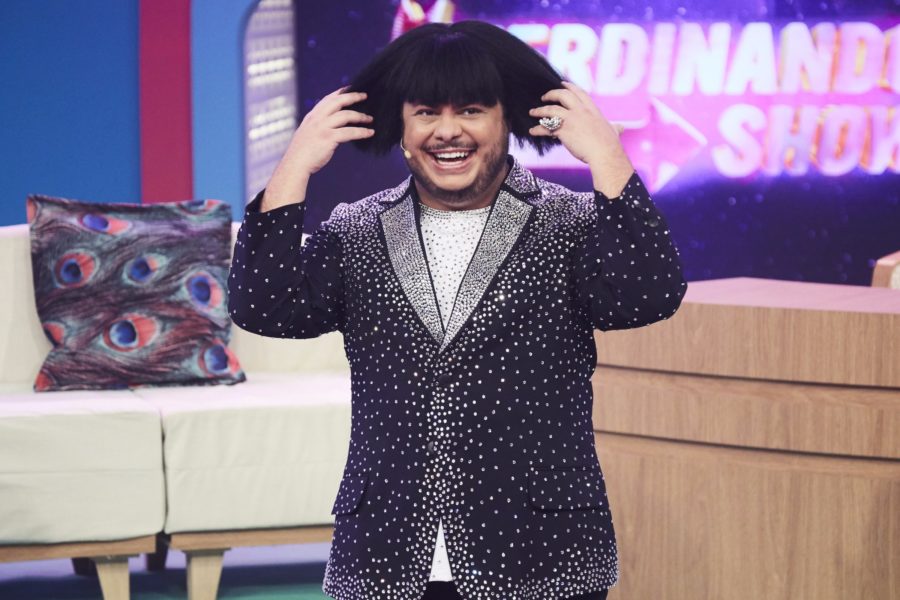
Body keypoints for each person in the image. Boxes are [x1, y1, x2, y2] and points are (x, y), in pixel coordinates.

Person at [228, 20, 687, 600]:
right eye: (426, 112)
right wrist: (296, 164)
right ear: (401, 125)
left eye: (471, 110)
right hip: (388, 555)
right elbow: (263, 307)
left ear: (506, 119)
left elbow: (650, 294)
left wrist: (608, 157)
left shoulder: (568, 224)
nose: (448, 131)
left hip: (543, 553)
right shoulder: (356, 230)